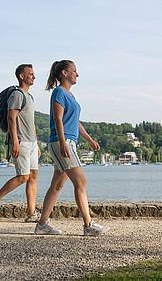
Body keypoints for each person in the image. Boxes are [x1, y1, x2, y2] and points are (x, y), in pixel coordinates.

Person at [34, 60, 109, 236]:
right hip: (63, 142)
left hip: (68, 141)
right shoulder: (59, 92)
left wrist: (89, 139)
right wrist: (62, 143)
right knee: (81, 181)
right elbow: (58, 119)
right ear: (64, 73)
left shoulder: (69, 95)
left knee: (57, 185)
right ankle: (88, 225)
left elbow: (75, 121)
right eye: (74, 71)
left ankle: (42, 224)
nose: (77, 74)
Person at [0, 64, 41, 222]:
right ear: (21, 76)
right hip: (21, 141)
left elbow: (32, 122)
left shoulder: (29, 96)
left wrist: (36, 143)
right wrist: (15, 141)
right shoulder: (17, 95)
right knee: (23, 176)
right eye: (30, 74)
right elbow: (11, 118)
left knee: (33, 176)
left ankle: (31, 214)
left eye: (33, 73)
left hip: (31, 142)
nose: (34, 76)